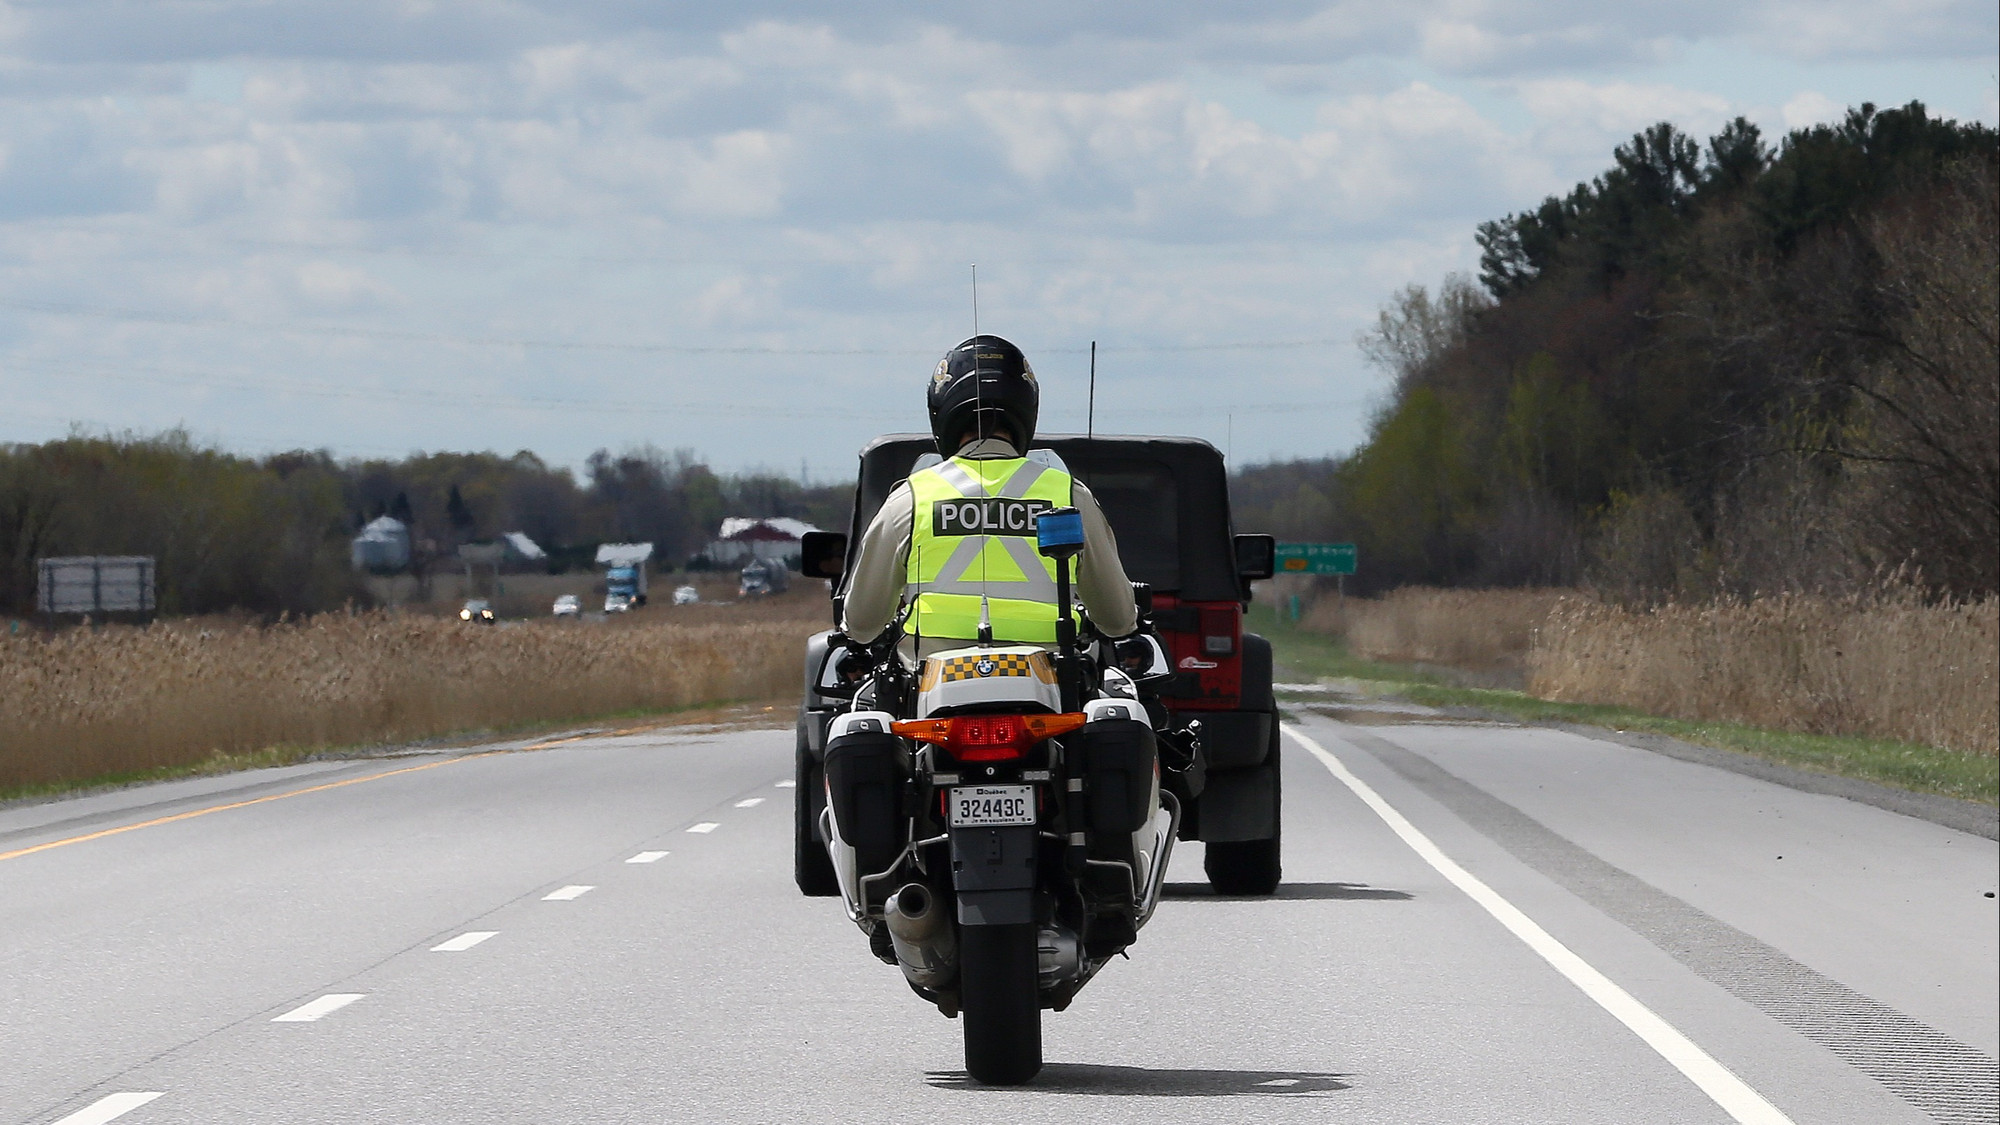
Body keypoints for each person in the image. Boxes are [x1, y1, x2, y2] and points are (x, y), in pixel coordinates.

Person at [841, 334, 1137, 657]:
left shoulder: (911, 499)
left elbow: (861, 623)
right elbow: (1118, 619)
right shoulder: (1067, 494)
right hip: (1052, 686)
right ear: (1026, 409)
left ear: (941, 412)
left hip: (931, 691)